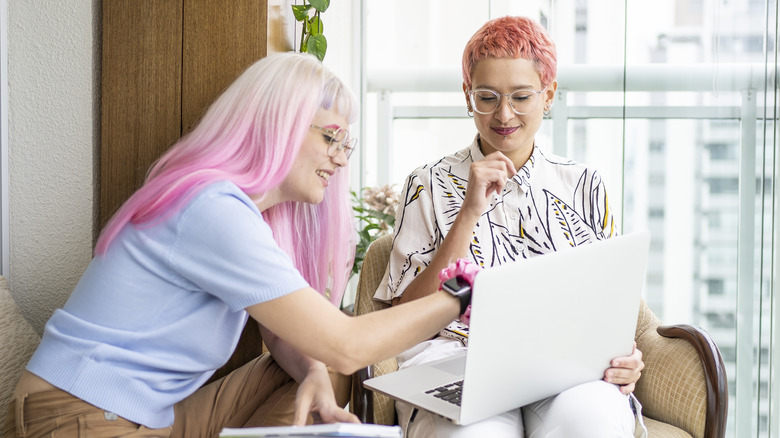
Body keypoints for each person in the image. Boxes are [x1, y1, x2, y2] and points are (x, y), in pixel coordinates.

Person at [2, 52, 466, 438]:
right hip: (75, 415)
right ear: (277, 125)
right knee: (338, 355)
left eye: (348, 144)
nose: (341, 159)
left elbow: (289, 336)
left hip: (151, 416)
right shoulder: (211, 208)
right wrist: (460, 297)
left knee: (323, 366)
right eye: (330, 137)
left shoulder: (240, 214)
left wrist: (314, 374)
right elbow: (346, 344)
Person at [375, 16, 647, 438]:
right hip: (455, 360)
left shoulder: (583, 186)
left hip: (563, 367)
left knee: (595, 423)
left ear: (548, 96)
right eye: (487, 97)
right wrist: (468, 211)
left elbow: (607, 304)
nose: (504, 115)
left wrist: (625, 356)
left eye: (521, 96)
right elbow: (406, 317)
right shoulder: (427, 183)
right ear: (468, 96)